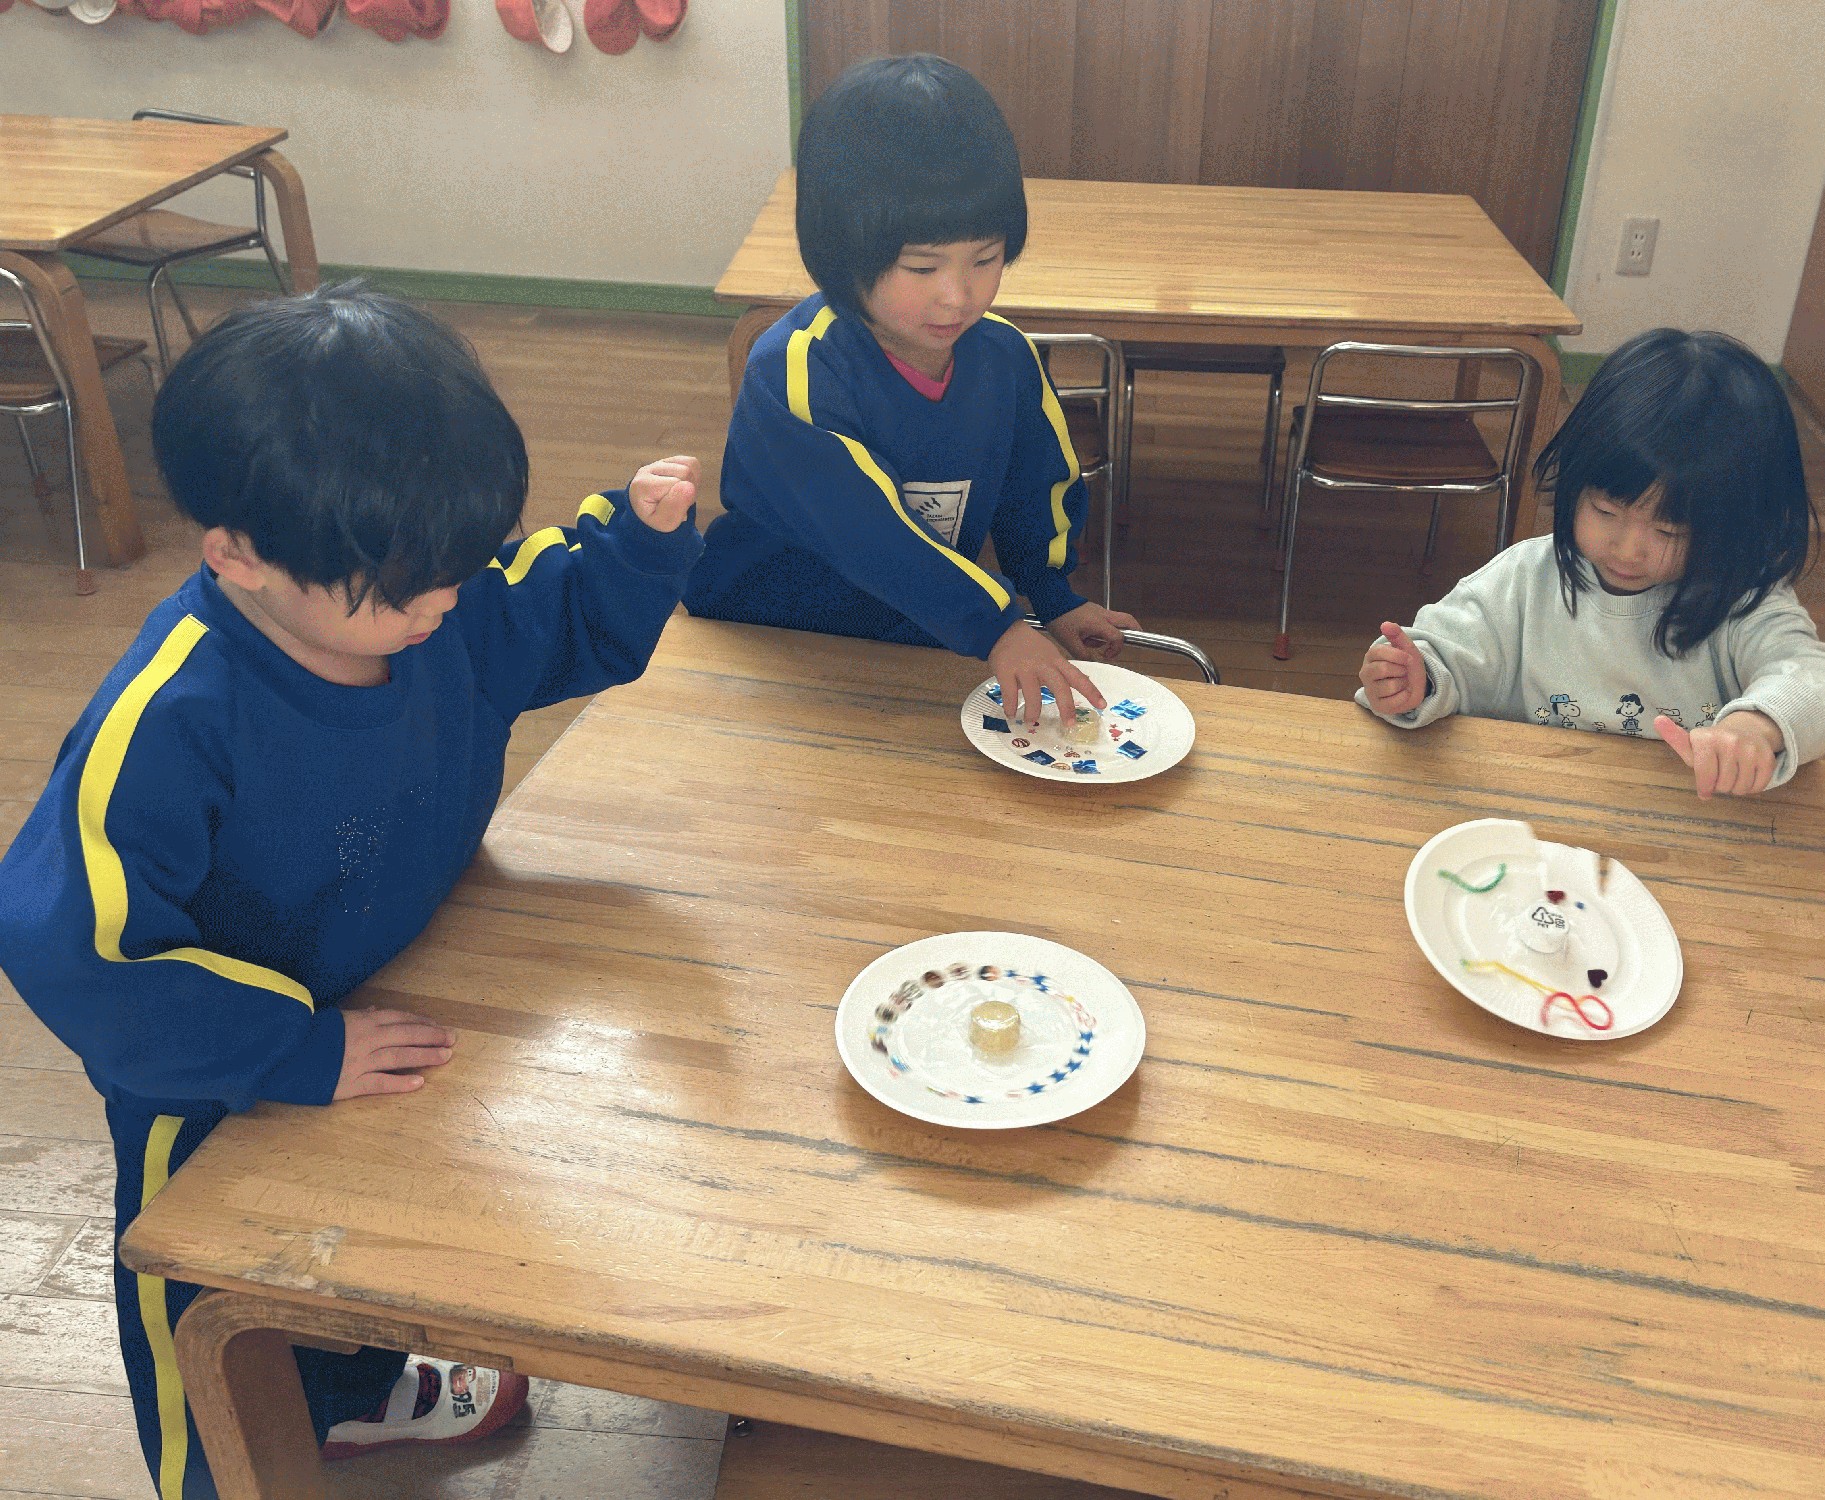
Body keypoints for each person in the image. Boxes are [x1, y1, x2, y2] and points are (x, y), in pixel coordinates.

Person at [0, 284, 705, 1497]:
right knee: (215, 1310)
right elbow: (76, 949)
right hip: (211, 1075)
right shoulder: (173, 717)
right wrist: (295, 1049)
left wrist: (637, 542)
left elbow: (552, 616)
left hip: (383, 985)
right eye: (402, 587)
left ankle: (358, 1396)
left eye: (458, 566)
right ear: (238, 555)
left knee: (366, 1246)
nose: (444, 603)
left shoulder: (429, 600)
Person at [684, 53, 1136, 727]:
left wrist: (1052, 596)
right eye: (922, 268)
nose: (958, 295)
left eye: (985, 259)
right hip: (766, 645)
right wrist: (996, 624)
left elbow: (1036, 488)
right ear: (844, 252)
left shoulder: (1006, 357)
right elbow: (865, 530)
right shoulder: (795, 370)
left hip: (917, 634)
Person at [1357, 328, 1825, 798]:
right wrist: (1416, 679)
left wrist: (1757, 726)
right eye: (1605, 511)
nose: (1627, 549)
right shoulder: (1525, 579)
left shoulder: (1741, 599)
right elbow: (1445, 655)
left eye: (1669, 531)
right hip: (1537, 812)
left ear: (1737, 523)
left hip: (1685, 822)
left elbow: (1818, 679)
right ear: (1575, 485)